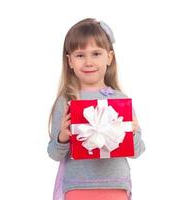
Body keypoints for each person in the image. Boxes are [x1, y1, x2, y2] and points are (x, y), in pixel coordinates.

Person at [47, 18, 145, 200]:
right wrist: (62, 137)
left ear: (109, 57)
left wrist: (134, 132)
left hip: (116, 185)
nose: (88, 62)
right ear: (69, 61)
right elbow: (54, 153)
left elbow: (137, 151)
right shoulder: (67, 100)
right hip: (77, 186)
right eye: (80, 55)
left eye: (96, 54)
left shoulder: (119, 99)